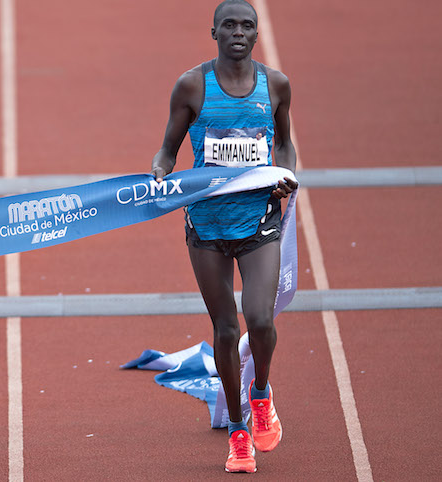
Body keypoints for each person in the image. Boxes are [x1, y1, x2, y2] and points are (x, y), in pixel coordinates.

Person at [150, 0, 297, 474]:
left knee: (260, 319)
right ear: (213, 31)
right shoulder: (193, 85)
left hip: (258, 221)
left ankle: (260, 396)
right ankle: (237, 433)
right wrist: (159, 172)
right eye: (229, 25)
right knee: (226, 330)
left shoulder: (275, 85)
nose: (238, 32)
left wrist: (287, 174)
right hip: (206, 226)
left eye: (247, 26)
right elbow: (168, 149)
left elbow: (285, 142)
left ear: (257, 34)